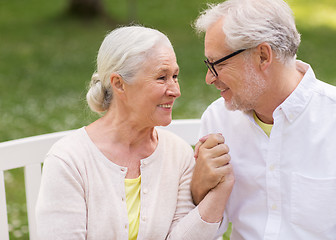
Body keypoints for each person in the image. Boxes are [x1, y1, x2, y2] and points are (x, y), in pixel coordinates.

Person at [35, 25, 234, 240]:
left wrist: (221, 187)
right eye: (161, 78)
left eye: (175, 76)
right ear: (119, 84)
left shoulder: (179, 154)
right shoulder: (69, 160)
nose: (175, 90)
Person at [190, 0, 336, 239]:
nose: (209, 78)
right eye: (208, 65)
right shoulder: (218, 119)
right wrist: (199, 187)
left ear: (262, 56)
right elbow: (208, 233)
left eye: (218, 64)